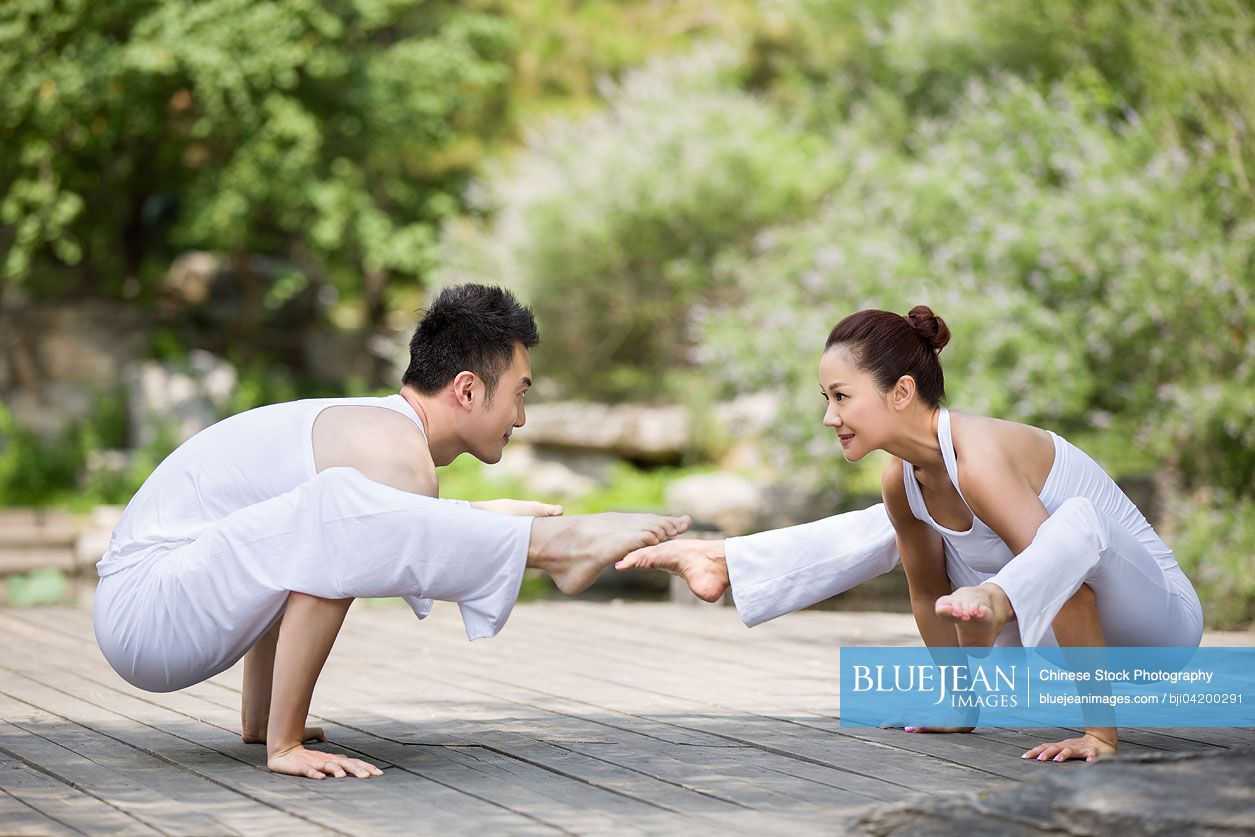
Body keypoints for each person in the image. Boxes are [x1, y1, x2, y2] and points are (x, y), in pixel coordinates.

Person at [93, 284, 690, 781]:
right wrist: (287, 748)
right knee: (341, 520)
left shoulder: (383, 436)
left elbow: (297, 550)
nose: (521, 418)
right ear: (466, 388)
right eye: (518, 395)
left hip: (161, 601)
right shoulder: (393, 456)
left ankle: (263, 721)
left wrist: (484, 515)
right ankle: (555, 550)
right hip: (150, 609)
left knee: (336, 522)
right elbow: (342, 551)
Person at [618, 305, 1202, 763]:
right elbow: (927, 593)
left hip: (1154, 627)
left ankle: (733, 561)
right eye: (827, 399)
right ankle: (727, 561)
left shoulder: (980, 455)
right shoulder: (901, 477)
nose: (829, 417)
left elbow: (1071, 584)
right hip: (1056, 636)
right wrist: (960, 705)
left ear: (900, 392)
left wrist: (1100, 734)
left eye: (842, 397)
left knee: (1074, 524)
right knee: (898, 519)